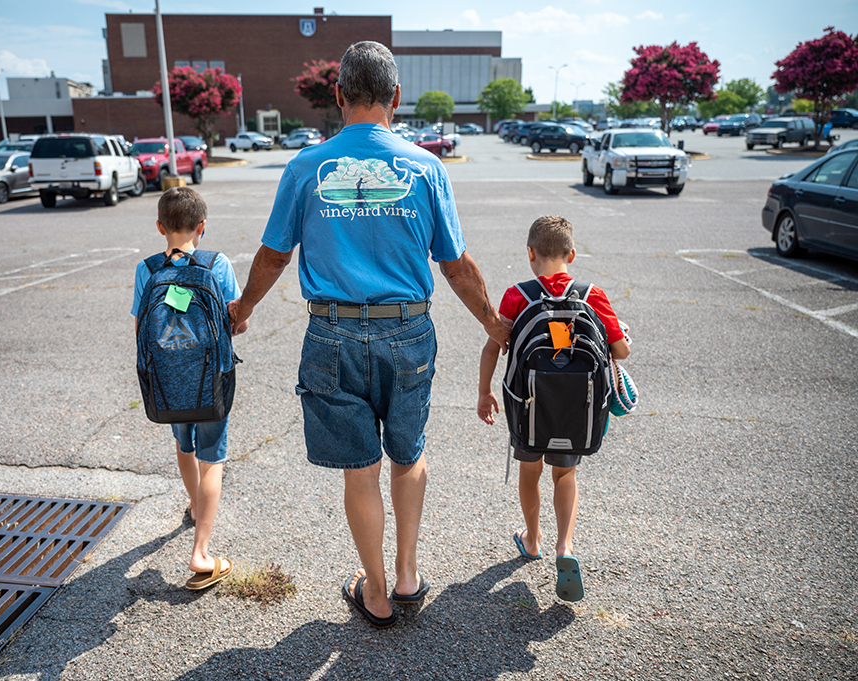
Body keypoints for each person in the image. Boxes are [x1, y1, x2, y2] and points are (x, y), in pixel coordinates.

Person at [227, 41, 510, 628]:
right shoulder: (425, 167)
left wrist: (243, 307)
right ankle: (408, 576)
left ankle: (375, 592)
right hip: (408, 333)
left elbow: (274, 255)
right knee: (408, 456)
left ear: (339, 96)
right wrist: (491, 321)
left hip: (331, 335)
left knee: (361, 470)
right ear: (396, 99)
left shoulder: (307, 166)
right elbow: (454, 264)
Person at [476, 215, 631, 601]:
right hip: (576, 408)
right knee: (564, 475)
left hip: (528, 406)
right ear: (572, 255)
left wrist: (484, 392)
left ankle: (532, 539)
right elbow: (621, 350)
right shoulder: (592, 294)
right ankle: (565, 547)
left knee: (530, 471)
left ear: (530, 253)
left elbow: (494, 345)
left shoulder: (518, 294)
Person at [131, 187, 245, 590]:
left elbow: (139, 329)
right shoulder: (217, 264)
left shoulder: (146, 269)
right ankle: (201, 552)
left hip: (168, 384)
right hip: (210, 378)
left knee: (185, 446)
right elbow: (237, 323)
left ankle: (198, 507)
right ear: (202, 227)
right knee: (213, 457)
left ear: (160, 227)